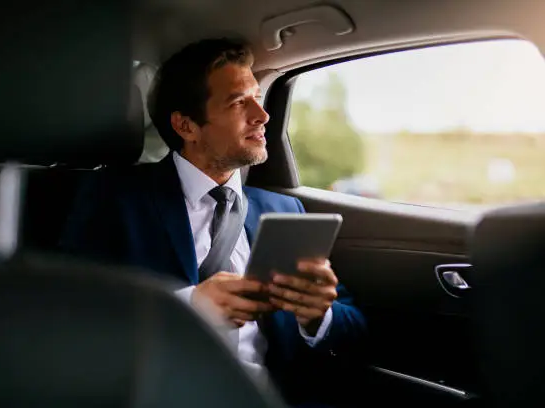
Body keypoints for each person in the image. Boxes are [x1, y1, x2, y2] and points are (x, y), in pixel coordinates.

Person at [61, 38, 366, 406]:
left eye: (257, 95)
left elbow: (353, 326)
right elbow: (73, 318)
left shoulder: (284, 210)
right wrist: (191, 305)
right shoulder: (116, 198)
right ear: (187, 126)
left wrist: (318, 316)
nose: (262, 114)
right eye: (239, 102)